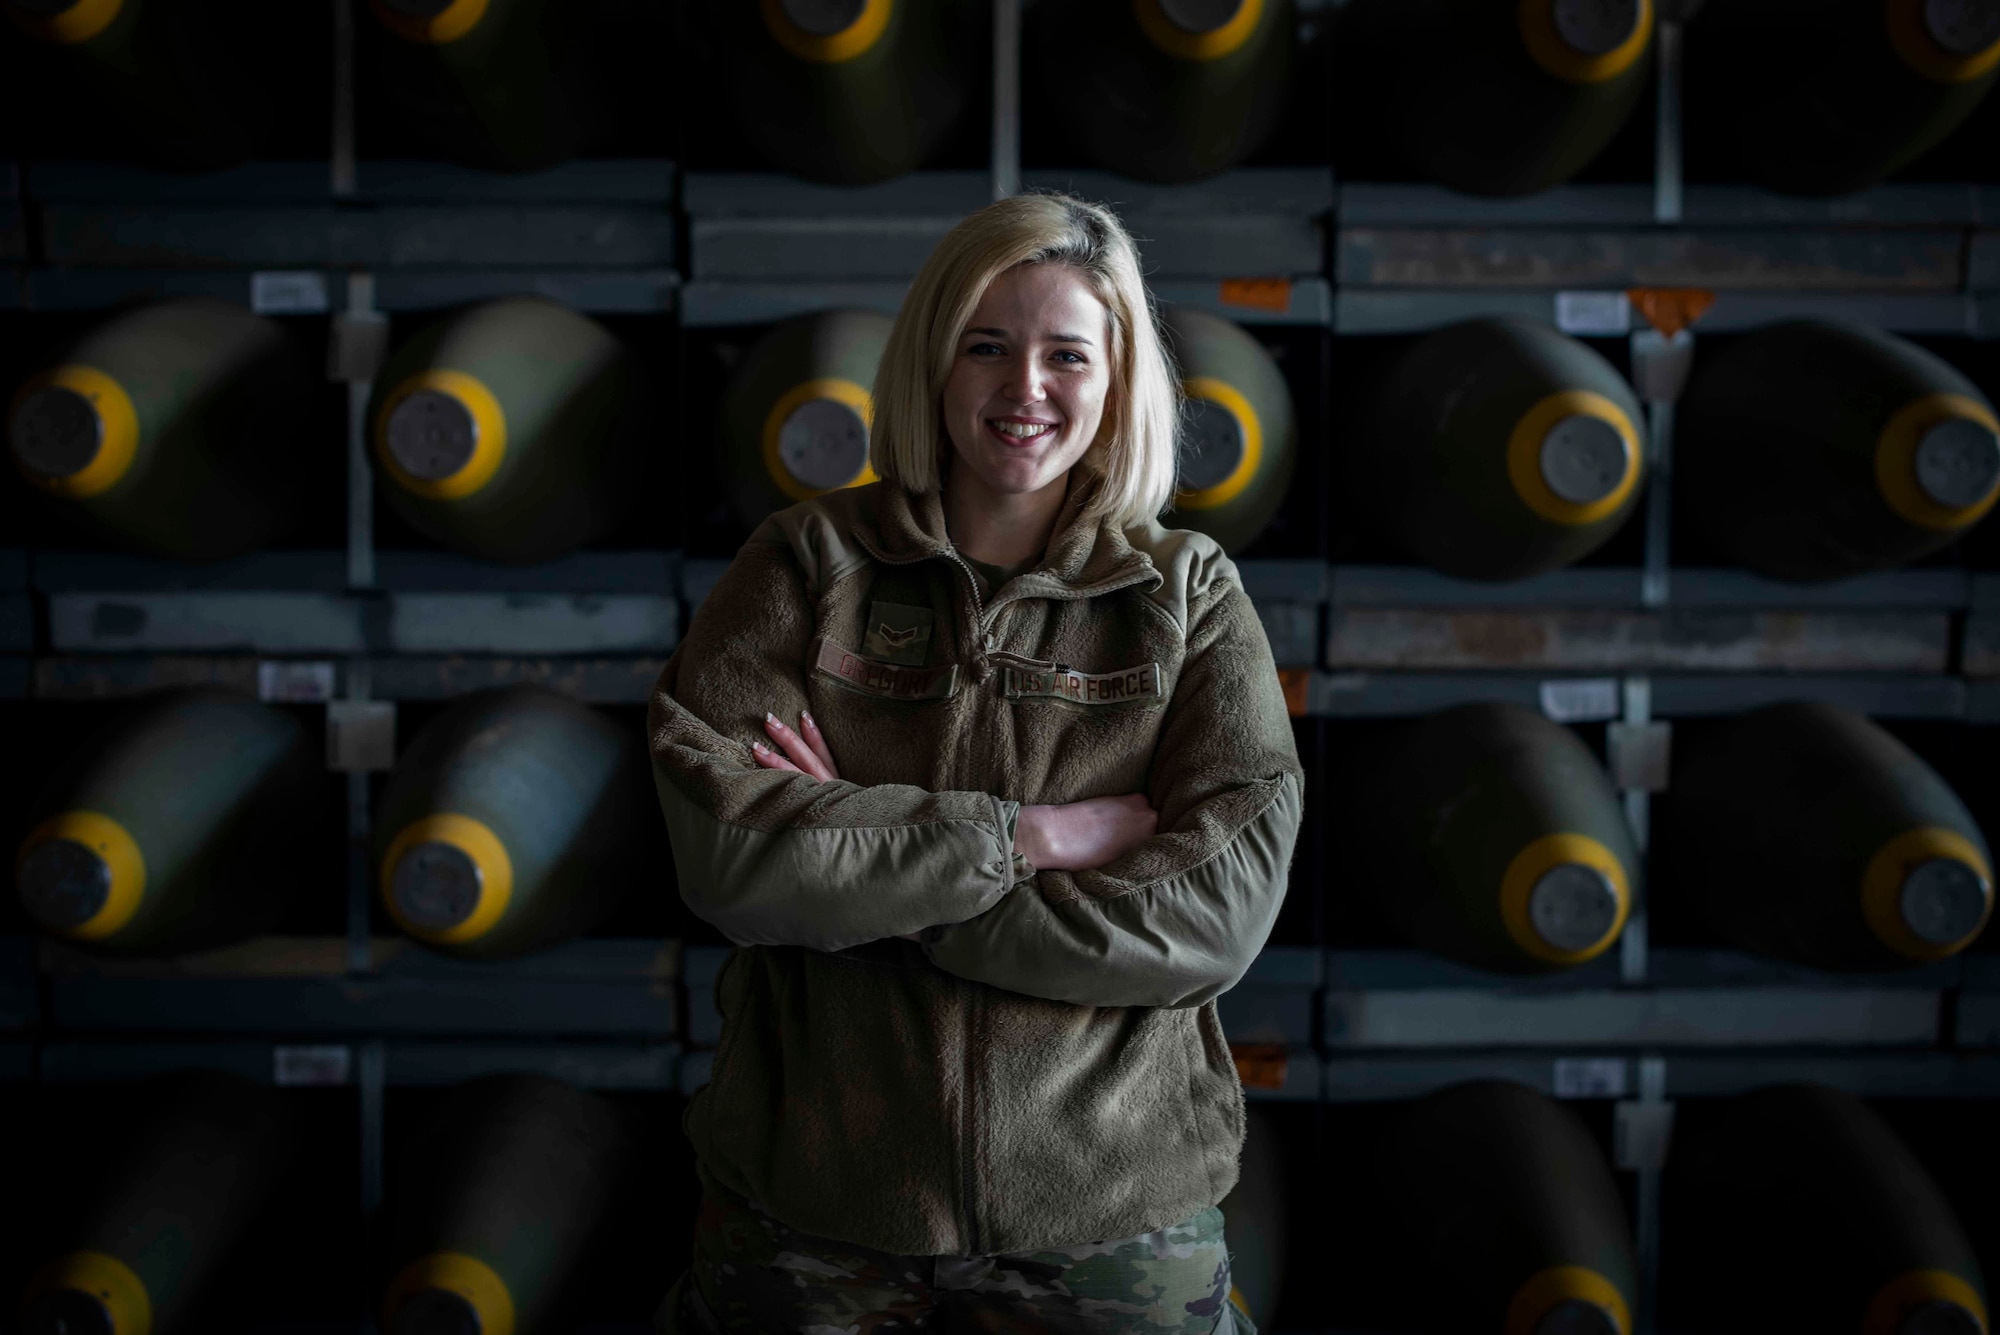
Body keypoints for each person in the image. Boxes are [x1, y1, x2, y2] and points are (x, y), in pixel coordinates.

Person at [647, 190, 1304, 1334]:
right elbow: (727, 853)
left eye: (1065, 354)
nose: (1024, 391)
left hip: (1113, 1232)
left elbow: (1215, 912)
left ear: (1114, 381)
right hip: (812, 1222)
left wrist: (870, 879)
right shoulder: (805, 565)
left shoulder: (1186, 594)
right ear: (931, 363)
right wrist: (1029, 839)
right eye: (986, 347)